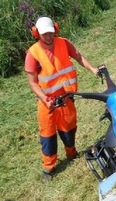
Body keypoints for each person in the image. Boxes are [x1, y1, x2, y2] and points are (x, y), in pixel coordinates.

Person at [25, 16, 99, 181]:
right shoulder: (32, 53)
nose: (49, 37)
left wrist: (93, 69)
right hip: (47, 102)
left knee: (69, 128)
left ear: (55, 29)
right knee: (48, 135)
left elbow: (78, 56)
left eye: (51, 33)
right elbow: (32, 83)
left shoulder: (63, 43)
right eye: (44, 34)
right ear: (37, 33)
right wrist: (45, 98)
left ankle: (71, 153)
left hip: (66, 97)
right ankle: (49, 168)